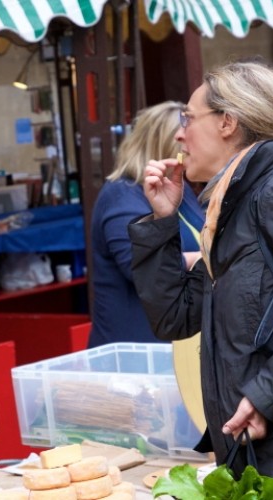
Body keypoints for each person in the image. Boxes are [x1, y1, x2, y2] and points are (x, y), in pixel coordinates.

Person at [128, 61, 273, 495]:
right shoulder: (228, 212)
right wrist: (163, 221)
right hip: (251, 459)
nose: (179, 134)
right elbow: (174, 319)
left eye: (188, 119)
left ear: (228, 122)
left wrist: (267, 395)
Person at [88, 101, 206, 348]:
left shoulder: (180, 191)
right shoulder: (121, 196)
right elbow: (139, 266)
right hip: (134, 353)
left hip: (176, 343)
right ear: (166, 144)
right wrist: (207, 259)